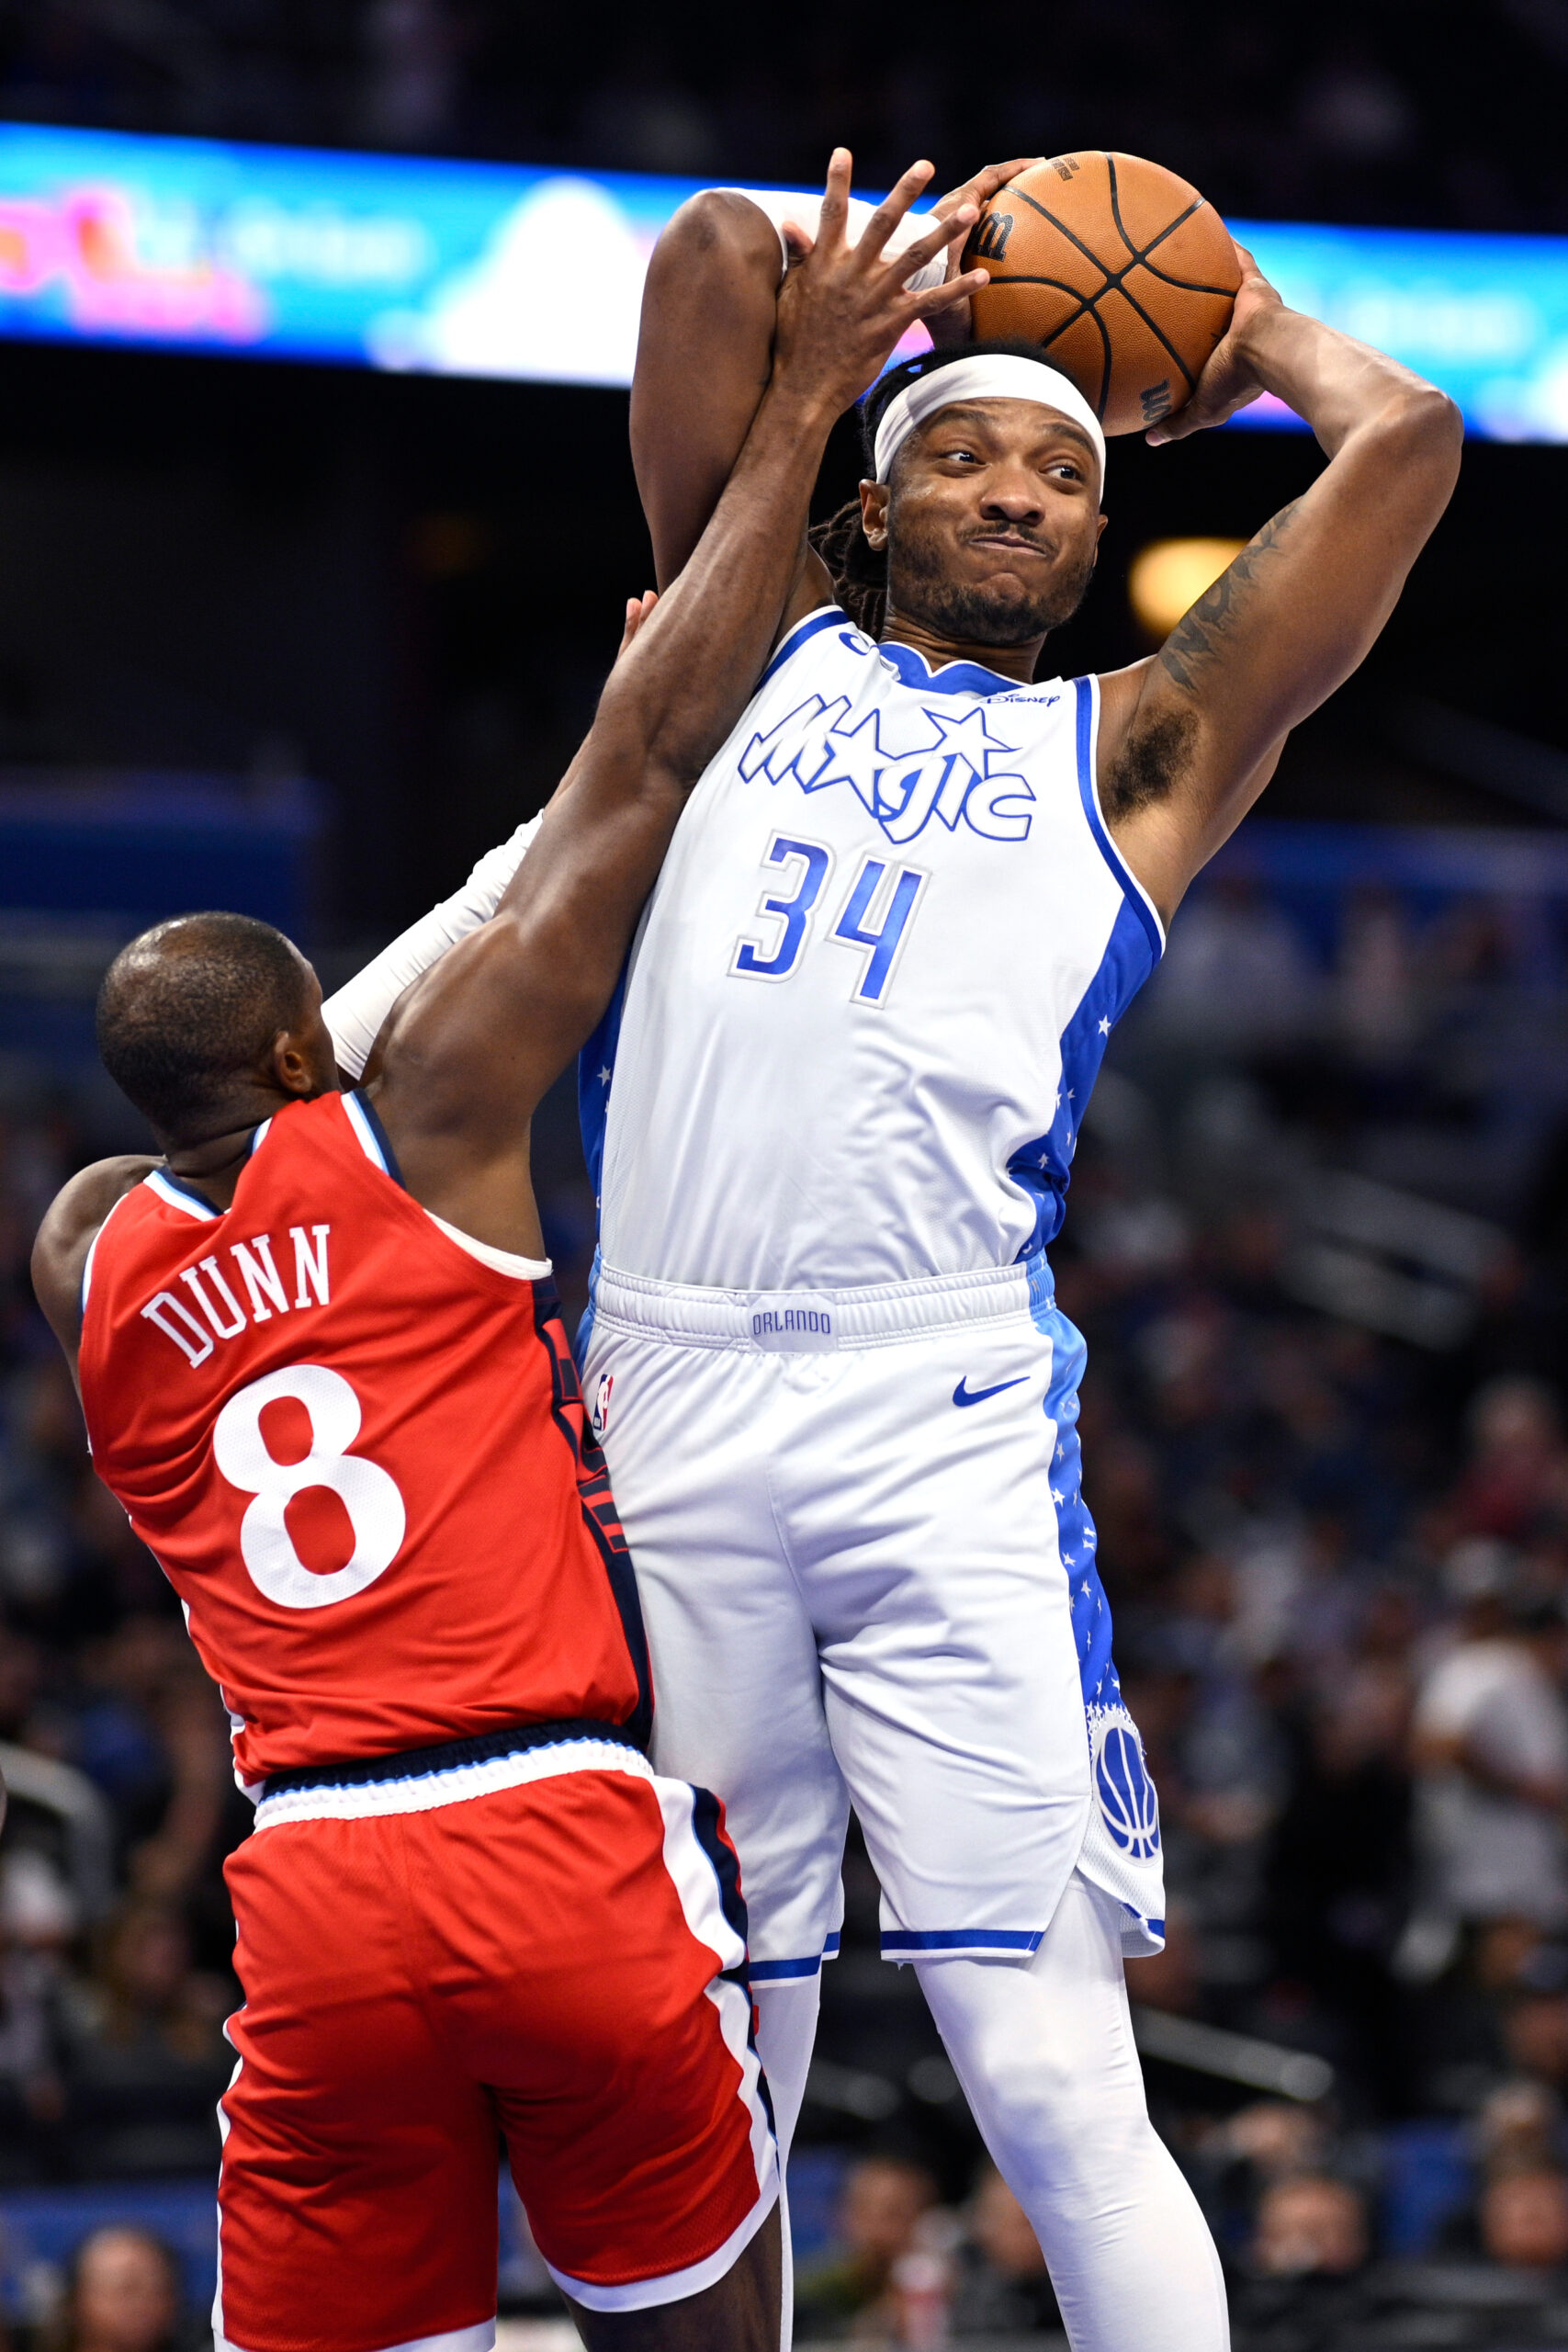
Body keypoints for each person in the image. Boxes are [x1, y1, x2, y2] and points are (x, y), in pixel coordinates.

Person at [325, 158, 1461, 2351]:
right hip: (657, 1404)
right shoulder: (732, 647)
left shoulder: (1132, 744)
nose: (1018, 486)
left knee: (1044, 2066)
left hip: (935, 1424)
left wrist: (1221, 336)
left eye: (1058, 463)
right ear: (861, 496)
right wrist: (894, 314)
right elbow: (709, 266)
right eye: (961, 447)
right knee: (697, 2065)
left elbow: (1401, 442)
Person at [30, 157, 981, 2352]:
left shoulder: (84, 1263)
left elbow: (200, 1131)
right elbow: (645, 767)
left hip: (316, 1893)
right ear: (310, 1045)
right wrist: (810, 388)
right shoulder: (430, 1133)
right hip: (545, 1827)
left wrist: (286, 1046)